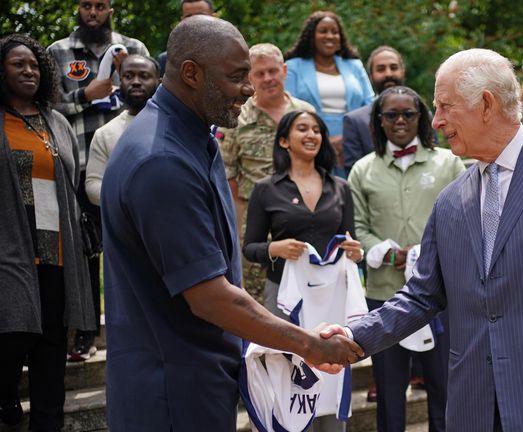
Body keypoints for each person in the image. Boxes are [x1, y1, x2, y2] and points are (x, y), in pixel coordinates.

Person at [324, 48, 523, 432]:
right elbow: (422, 295)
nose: (437, 121)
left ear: (487, 104)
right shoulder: (450, 200)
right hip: (474, 405)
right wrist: (352, 336)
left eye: (445, 106)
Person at [100, 16, 363, 431]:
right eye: (237, 77)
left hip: (199, 378)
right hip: (171, 394)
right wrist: (307, 344)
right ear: (191, 73)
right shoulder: (161, 160)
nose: (249, 88)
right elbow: (210, 297)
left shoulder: (191, 136)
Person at [348, 86, 465, 432]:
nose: (400, 121)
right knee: (388, 389)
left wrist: (421, 254)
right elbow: (358, 227)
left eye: (408, 114)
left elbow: (464, 219)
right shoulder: (362, 170)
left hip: (439, 293)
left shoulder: (448, 163)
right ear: (379, 121)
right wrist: (381, 250)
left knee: (443, 387)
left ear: (421, 118)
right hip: (385, 294)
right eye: (391, 115)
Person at [243, 110, 364, 432]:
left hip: (329, 303)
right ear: (284, 140)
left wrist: (356, 251)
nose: (311, 135)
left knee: (330, 375)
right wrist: (274, 249)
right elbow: (249, 248)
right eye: (302, 129)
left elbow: (351, 241)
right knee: (287, 381)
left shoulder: (339, 187)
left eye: (316, 130)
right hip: (283, 301)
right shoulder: (266, 189)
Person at [0, 33, 96, 431]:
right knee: (13, 336)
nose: (28, 71)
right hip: (8, 251)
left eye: (34, 65)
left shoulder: (55, 121)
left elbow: (69, 184)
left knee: (50, 347)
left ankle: (47, 424)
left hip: (55, 250)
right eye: (17, 64)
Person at [47, 0, 150, 361]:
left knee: (139, 247)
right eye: (87, 5)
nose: (94, 12)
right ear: (78, 8)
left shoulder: (132, 49)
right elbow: (42, 105)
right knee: (86, 251)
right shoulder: (57, 52)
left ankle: (141, 322)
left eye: (101, 6)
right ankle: (86, 333)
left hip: (131, 167)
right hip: (76, 164)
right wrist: (84, 96)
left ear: (110, 9)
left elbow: (151, 100)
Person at [217, 43, 314, 302]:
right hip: (255, 227)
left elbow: (318, 168)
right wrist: (237, 229)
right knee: (257, 302)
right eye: (259, 73)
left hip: (301, 221)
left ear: (284, 71)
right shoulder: (235, 117)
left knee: (307, 298)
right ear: (249, 76)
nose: (268, 78)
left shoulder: (305, 113)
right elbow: (228, 176)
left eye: (273, 71)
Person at [284, 10, 375, 177]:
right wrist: (324, 140)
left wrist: (346, 138)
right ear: (312, 36)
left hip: (353, 144)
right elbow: (289, 107)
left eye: (335, 32)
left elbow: (370, 104)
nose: (330, 36)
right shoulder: (293, 67)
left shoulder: (354, 65)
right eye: (323, 31)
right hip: (310, 143)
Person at [85, 54, 159, 205]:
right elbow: (93, 185)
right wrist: (131, 198)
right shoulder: (105, 134)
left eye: (144, 76)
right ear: (120, 82)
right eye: (128, 76)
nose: (136, 82)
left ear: (159, 82)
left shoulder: (178, 125)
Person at [342, 45, 405, 174]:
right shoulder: (355, 121)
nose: (388, 74)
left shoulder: (423, 114)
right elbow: (353, 173)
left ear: (402, 71)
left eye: (394, 68)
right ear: (370, 75)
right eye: (381, 69)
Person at [157, 0, 216, 77]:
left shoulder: (230, 53)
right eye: (189, 16)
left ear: (214, 17)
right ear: (182, 20)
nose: (195, 20)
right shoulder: (167, 60)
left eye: (200, 15)